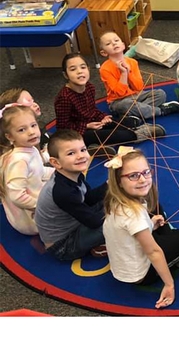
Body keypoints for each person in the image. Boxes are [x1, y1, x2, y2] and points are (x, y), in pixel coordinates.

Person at [103, 147, 179, 309]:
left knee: (157, 213)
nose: (143, 180)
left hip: (126, 264)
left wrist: (150, 224)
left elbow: (130, 233)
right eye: (133, 176)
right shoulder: (134, 215)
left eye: (146, 172)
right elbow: (153, 252)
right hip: (143, 273)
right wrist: (169, 285)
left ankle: (173, 240)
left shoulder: (115, 201)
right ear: (119, 182)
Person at [55, 53, 165, 156]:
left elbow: (91, 110)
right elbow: (63, 128)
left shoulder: (89, 87)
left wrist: (102, 117)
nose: (79, 72)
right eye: (73, 69)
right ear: (65, 75)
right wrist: (87, 126)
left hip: (93, 124)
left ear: (88, 69)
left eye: (83, 67)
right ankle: (138, 134)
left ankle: (95, 146)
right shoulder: (64, 97)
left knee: (130, 122)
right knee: (119, 135)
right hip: (78, 133)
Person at [34, 129, 108, 260]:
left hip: (74, 225)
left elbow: (88, 199)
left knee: (114, 201)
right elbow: (94, 222)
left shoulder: (73, 175)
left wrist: (110, 184)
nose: (80, 156)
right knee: (119, 220)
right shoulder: (63, 192)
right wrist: (117, 210)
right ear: (56, 163)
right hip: (63, 246)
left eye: (83, 150)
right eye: (71, 153)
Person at [98, 30, 179, 120]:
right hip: (119, 101)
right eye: (108, 44)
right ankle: (159, 111)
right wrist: (123, 73)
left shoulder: (132, 62)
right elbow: (120, 93)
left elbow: (139, 87)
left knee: (160, 94)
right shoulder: (105, 69)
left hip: (137, 96)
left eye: (116, 40)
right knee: (125, 105)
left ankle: (133, 114)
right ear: (104, 53)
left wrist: (129, 71)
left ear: (123, 45)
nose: (114, 44)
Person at [0, 104, 54, 235]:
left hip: (36, 202)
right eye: (21, 130)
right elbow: (17, 196)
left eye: (33, 125)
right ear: (10, 136)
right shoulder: (19, 161)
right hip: (32, 221)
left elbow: (39, 171)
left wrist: (61, 170)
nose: (31, 132)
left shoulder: (29, 150)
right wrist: (42, 206)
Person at [0, 87, 50, 159]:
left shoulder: (29, 136)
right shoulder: (16, 157)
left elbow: (37, 160)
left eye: (33, 100)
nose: (35, 104)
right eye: (28, 102)